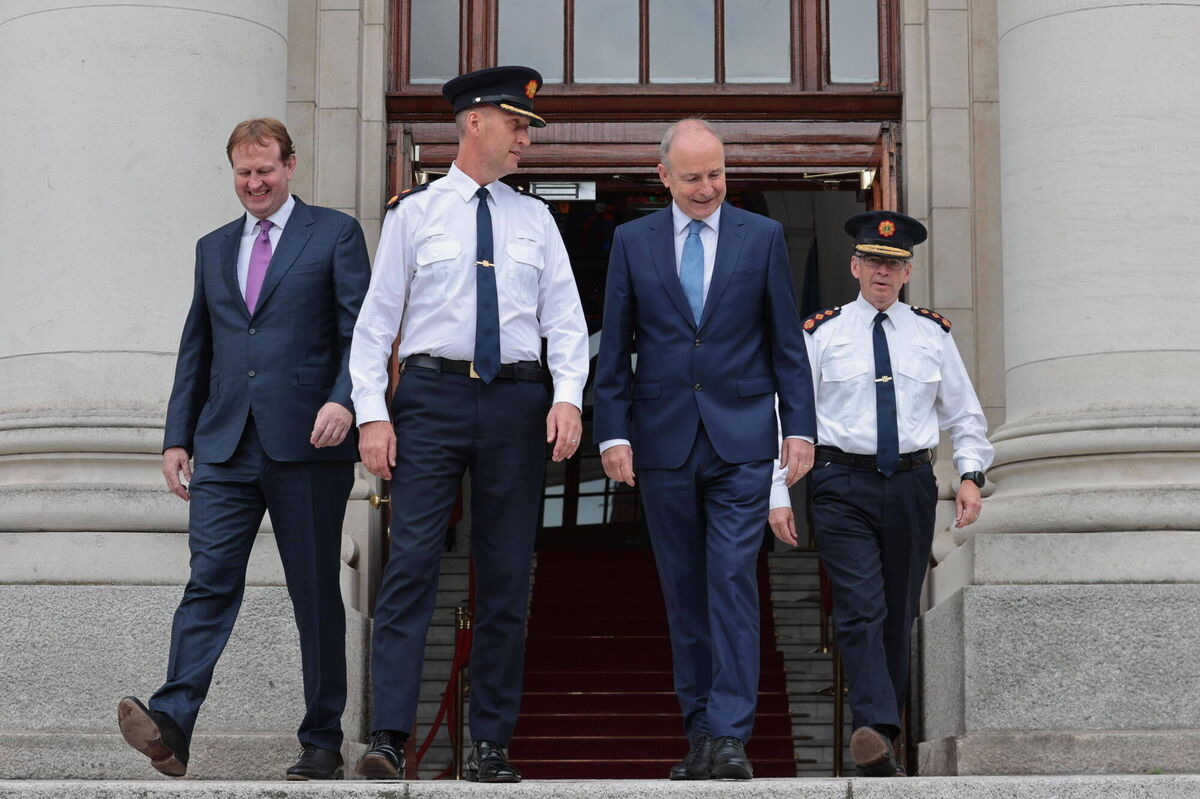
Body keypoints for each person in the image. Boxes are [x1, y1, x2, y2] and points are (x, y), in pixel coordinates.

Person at [348, 66, 589, 783]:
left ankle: (490, 741)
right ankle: (390, 735)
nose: (525, 139)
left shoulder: (536, 219)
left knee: (507, 574)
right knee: (412, 563)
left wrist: (568, 396)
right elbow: (373, 327)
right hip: (431, 398)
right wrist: (371, 415)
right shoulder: (413, 214)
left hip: (517, 404)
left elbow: (566, 324)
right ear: (475, 121)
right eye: (517, 124)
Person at [117, 118, 371, 780]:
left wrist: (346, 400)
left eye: (265, 170)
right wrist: (177, 435)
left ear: (290, 166)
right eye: (242, 172)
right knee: (208, 582)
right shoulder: (213, 246)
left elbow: (360, 333)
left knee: (314, 594)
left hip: (309, 442)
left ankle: (322, 738)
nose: (254, 183)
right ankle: (172, 721)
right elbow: (196, 347)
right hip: (225, 443)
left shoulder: (334, 234)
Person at [593, 119, 816, 781]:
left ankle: (728, 733)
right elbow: (615, 343)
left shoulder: (763, 236)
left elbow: (787, 345)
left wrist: (798, 428)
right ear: (663, 176)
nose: (706, 188)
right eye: (692, 177)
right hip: (662, 441)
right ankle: (700, 732)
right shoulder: (633, 241)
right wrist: (613, 430)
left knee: (730, 581)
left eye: (715, 174)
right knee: (684, 591)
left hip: (742, 440)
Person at [768, 210, 994, 777]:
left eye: (893, 265)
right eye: (873, 261)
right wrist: (777, 492)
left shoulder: (932, 334)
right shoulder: (820, 333)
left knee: (896, 615)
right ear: (854, 265)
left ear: (908, 272)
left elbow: (966, 416)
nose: (882, 273)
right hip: (841, 482)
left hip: (913, 485)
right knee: (860, 606)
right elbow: (785, 418)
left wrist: (970, 475)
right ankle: (875, 725)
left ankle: (880, 735)